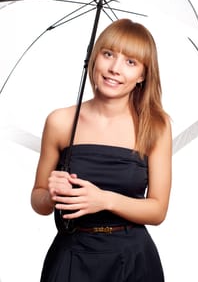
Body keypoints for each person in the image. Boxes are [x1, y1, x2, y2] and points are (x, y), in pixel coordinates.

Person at [31, 18, 172, 282]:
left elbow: (158, 211)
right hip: (72, 256)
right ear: (94, 58)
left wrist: (105, 199)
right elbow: (38, 201)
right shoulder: (60, 122)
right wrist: (51, 195)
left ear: (142, 74)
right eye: (108, 54)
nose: (115, 69)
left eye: (130, 62)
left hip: (133, 260)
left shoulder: (155, 126)